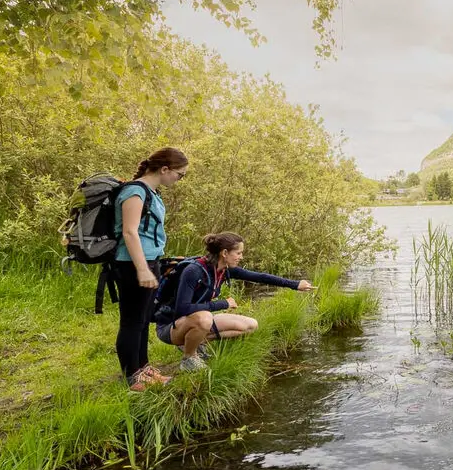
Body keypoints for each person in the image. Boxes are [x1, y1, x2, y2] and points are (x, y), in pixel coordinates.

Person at [157, 232, 315, 371]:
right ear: (225, 253)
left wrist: (295, 285)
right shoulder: (194, 271)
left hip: (195, 320)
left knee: (250, 325)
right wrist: (223, 303)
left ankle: (193, 342)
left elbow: (260, 277)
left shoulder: (224, 270)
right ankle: (189, 359)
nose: (241, 257)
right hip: (170, 327)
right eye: (238, 253)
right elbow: (182, 309)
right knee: (205, 317)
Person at [113, 147, 189, 391]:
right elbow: (129, 232)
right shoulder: (135, 191)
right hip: (131, 264)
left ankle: (144, 369)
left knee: (144, 319)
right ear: (164, 169)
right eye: (180, 174)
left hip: (150, 261)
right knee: (132, 322)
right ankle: (132, 378)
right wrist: (142, 270)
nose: (179, 179)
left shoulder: (152, 193)